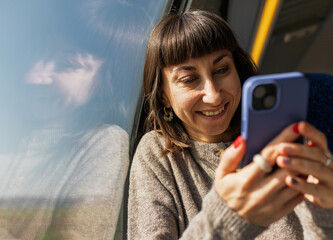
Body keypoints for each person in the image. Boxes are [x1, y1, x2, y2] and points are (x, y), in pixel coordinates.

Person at [128, 10, 333, 239]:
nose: (213, 96)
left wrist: (325, 214)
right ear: (163, 95)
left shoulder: (284, 134)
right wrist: (227, 220)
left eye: (221, 70)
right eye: (189, 79)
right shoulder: (156, 154)